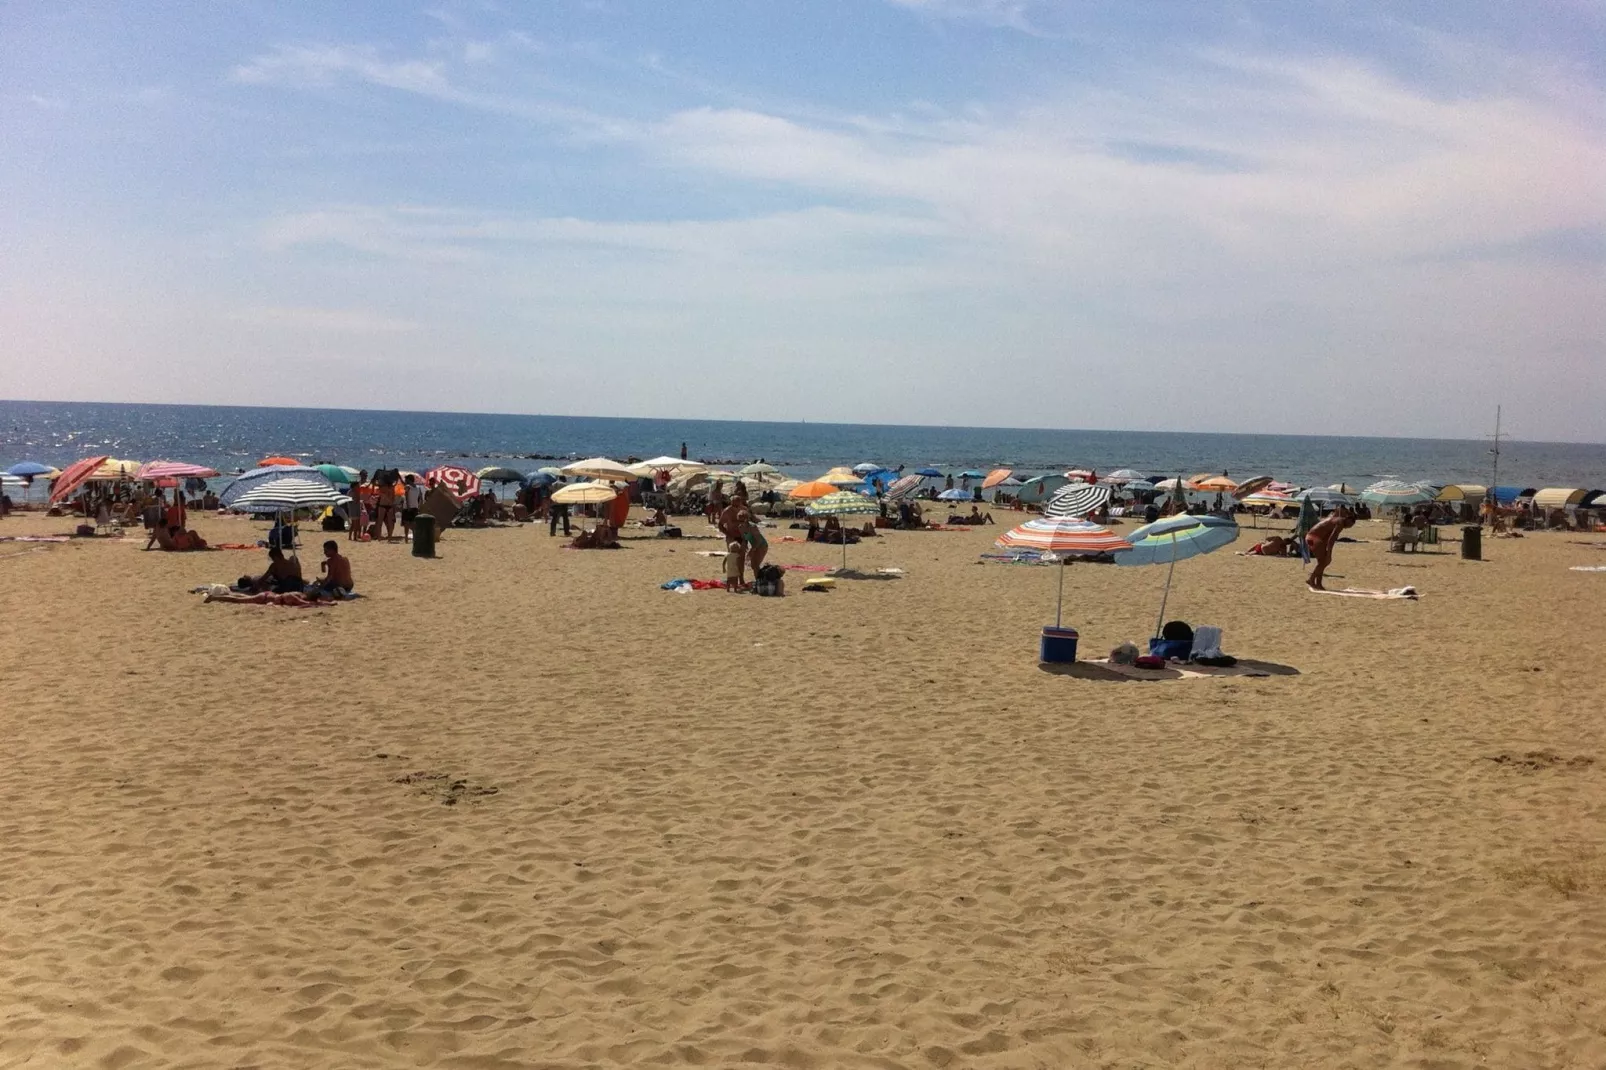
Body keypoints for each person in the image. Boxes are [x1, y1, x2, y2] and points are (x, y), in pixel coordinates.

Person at [1305, 507, 1355, 590]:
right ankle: (1311, 579)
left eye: (1351, 526)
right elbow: (1332, 539)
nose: (1349, 527)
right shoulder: (1340, 522)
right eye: (1350, 524)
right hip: (1314, 538)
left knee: (1322, 562)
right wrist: (1329, 554)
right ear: (1346, 519)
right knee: (1324, 561)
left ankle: (1318, 583)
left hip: (1314, 537)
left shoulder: (1337, 519)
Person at [401, 474, 423, 541]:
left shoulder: (408, 486)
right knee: (413, 523)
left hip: (408, 507)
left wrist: (408, 507)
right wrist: (418, 506)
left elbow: (407, 497)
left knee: (406, 524)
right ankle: (414, 538)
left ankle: (406, 538)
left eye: (406, 479)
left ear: (409, 480)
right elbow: (421, 499)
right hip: (415, 507)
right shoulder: (418, 488)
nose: (405, 481)